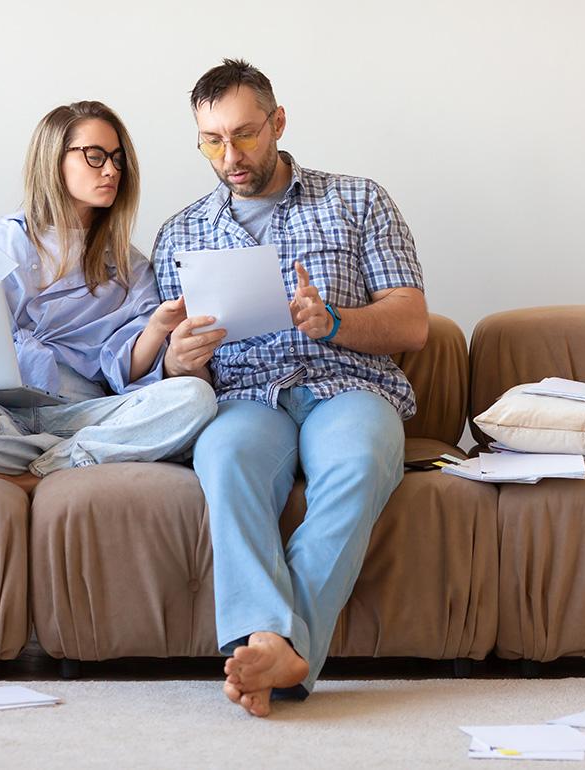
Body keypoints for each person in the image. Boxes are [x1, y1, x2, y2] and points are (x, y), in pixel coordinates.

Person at [154, 60, 429, 717]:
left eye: (245, 134)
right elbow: (176, 369)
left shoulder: (358, 200)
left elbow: (413, 323)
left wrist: (335, 322)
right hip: (246, 398)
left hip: (348, 386)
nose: (230, 157)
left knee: (358, 458)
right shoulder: (180, 234)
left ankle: (277, 644)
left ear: (278, 122)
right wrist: (180, 360)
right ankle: (278, 647)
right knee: (224, 458)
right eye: (211, 142)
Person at [0, 101, 217, 493]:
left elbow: (128, 373)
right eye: (95, 156)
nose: (111, 170)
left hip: (84, 414)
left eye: (117, 159)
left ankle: (42, 470)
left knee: (194, 398)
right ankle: (86, 456)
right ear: (53, 160)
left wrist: (157, 328)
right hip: (0, 413)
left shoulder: (130, 266)